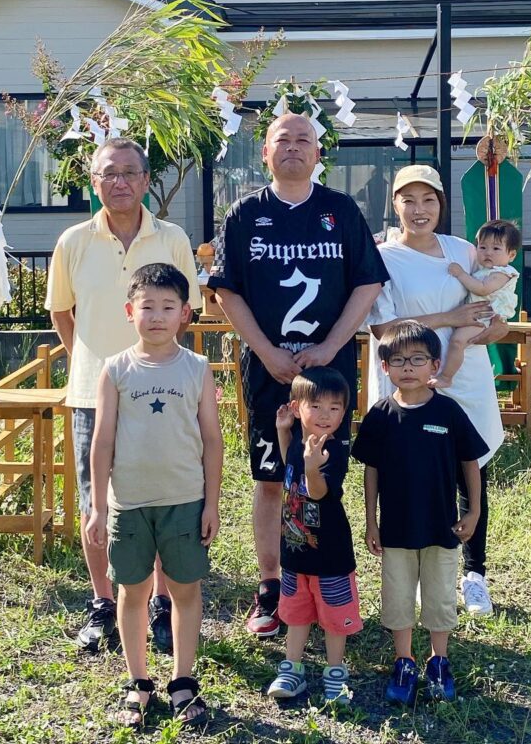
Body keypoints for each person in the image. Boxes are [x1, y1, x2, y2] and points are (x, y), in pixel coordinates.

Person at [208, 112, 388, 638]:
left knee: (324, 481)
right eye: (281, 140)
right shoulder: (244, 215)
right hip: (269, 373)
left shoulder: (341, 210)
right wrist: (264, 352)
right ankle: (271, 586)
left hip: (328, 380)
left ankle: (326, 579)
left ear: (317, 153)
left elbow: (368, 283)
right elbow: (226, 290)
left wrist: (332, 347)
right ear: (264, 153)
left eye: (303, 139)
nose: (292, 147)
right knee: (269, 481)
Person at [45, 138, 203, 653]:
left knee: (160, 494)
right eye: (108, 173)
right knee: (99, 503)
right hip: (95, 390)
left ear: (145, 180)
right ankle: (103, 604)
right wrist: (98, 369)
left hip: (165, 388)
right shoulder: (72, 241)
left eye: (130, 173)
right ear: (93, 181)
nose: (120, 182)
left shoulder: (173, 238)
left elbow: (189, 310)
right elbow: (61, 313)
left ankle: (159, 603)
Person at [86, 263, 222, 728]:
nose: (158, 316)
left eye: (168, 307)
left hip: (184, 500)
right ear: (130, 311)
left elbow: (212, 440)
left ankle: (183, 680)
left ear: (186, 313)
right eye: (148, 307)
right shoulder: (115, 369)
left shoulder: (197, 368)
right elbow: (101, 440)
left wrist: (212, 502)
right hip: (129, 503)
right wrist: (99, 507)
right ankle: (138, 680)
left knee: (185, 590)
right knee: (133, 590)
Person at [367, 164, 507, 617]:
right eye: (409, 200)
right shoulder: (383, 258)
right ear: (395, 205)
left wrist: (489, 329)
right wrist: (449, 321)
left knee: (471, 466)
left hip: (465, 375)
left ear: (441, 205)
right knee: (412, 471)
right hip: (409, 378)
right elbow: (383, 327)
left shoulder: (464, 250)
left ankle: (474, 573)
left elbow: (489, 308)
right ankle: (418, 572)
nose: (419, 210)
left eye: (428, 200)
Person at [353, 321, 487, 705]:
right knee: (397, 598)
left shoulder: (448, 411)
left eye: (417, 359)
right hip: (395, 528)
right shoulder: (380, 414)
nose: (407, 367)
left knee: (441, 596)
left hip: (442, 527)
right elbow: (371, 469)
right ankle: (404, 661)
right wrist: (371, 521)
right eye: (398, 360)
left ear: (435, 364)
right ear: (384, 367)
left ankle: (439, 661)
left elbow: (470, 462)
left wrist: (474, 511)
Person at [267, 366, 361, 703]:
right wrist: (282, 432)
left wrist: (312, 467)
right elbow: (289, 464)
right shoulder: (299, 442)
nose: (325, 415)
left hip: (330, 555)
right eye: (316, 406)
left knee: (335, 618)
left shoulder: (334, 451)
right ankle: (292, 668)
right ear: (296, 408)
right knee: (296, 612)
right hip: (295, 551)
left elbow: (319, 493)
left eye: (335, 408)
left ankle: (335, 673)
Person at [430, 219, 521, 390]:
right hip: (479, 315)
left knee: (457, 342)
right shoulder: (484, 270)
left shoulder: (502, 273)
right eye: (483, 247)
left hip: (486, 318)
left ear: (511, 255)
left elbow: (482, 289)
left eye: (496, 248)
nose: (488, 253)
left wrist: (460, 274)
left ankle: (446, 377)